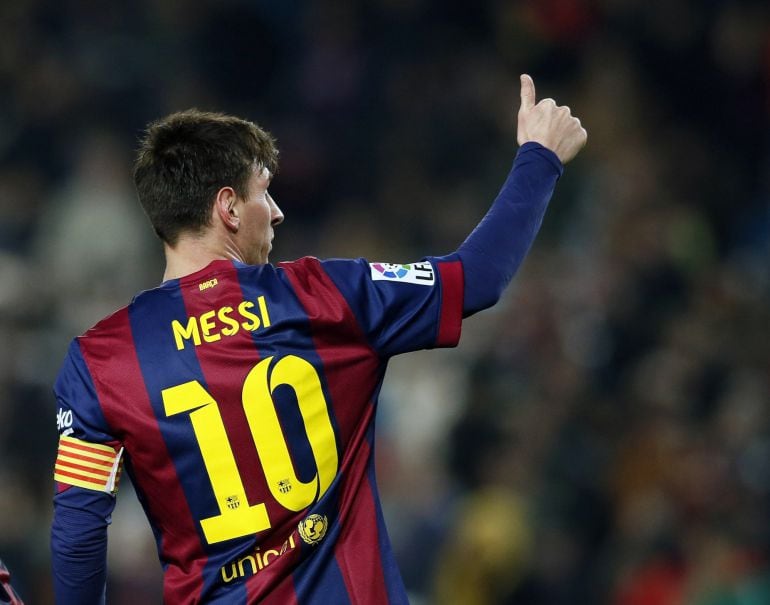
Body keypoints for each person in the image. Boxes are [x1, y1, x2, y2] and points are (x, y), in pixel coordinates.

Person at [50, 74, 586, 604]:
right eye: (264, 191)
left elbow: (78, 529)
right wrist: (540, 157)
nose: (278, 211)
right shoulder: (324, 297)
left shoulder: (100, 362)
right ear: (229, 207)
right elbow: (477, 278)